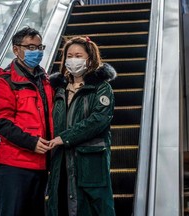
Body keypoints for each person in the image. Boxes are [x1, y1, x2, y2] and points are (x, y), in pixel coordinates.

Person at [45, 36, 117, 216]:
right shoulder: (58, 88)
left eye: (78, 55)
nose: (73, 60)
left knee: (92, 207)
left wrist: (66, 137)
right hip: (60, 159)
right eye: (69, 56)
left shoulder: (101, 87)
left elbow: (99, 119)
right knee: (61, 204)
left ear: (89, 59)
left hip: (89, 160)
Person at [0, 27, 54, 216]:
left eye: (40, 47)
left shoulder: (47, 81)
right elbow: (2, 123)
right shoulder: (4, 83)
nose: (37, 52)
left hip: (42, 165)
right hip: (15, 166)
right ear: (16, 50)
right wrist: (31, 142)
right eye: (31, 47)